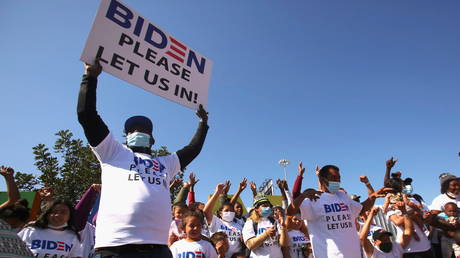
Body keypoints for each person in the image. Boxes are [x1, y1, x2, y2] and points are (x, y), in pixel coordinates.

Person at [77, 60, 209, 257]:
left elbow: (193, 148)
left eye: (144, 130)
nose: (138, 132)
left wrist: (203, 123)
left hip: (158, 250)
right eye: (132, 130)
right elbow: (87, 115)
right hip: (116, 248)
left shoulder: (166, 163)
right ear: (126, 136)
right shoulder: (113, 152)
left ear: (152, 138)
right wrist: (90, 77)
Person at [288, 165, 387, 258]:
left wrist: (372, 197)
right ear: (322, 179)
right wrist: (303, 195)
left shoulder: (343, 197)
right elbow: (290, 212)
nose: (338, 180)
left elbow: (361, 209)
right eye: (334, 178)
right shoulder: (313, 199)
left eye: (339, 178)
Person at [18, 200, 83, 258]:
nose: (58, 215)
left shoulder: (72, 236)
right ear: (47, 214)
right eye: (54, 212)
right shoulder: (30, 230)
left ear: (69, 216)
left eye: (63, 212)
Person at [204, 184, 244, 258]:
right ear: (220, 213)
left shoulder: (239, 224)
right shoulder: (216, 221)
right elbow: (206, 212)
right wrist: (217, 193)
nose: (229, 212)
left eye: (232, 211)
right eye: (226, 210)